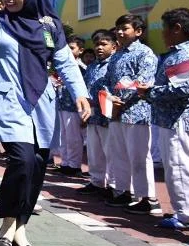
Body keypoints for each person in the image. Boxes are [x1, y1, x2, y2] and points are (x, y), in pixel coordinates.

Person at [0, 0, 90, 246]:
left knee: (38, 166)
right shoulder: (0, 21)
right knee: (22, 160)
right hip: (9, 102)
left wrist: (80, 93)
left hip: (40, 103)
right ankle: (6, 225)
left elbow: (65, 62)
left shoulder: (49, 26)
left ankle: (20, 228)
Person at [138, 8, 189, 229]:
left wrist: (149, 92)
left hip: (178, 119)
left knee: (180, 166)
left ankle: (188, 216)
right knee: (185, 166)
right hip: (175, 119)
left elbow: (183, 88)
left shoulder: (183, 55)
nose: (162, 33)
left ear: (177, 28)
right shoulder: (180, 53)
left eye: (165, 28)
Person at [103, 14, 161, 215]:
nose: (120, 32)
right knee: (119, 154)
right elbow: (107, 80)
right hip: (117, 112)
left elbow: (143, 82)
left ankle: (148, 198)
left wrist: (121, 101)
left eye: (124, 28)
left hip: (137, 112)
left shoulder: (145, 54)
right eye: (118, 28)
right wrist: (110, 98)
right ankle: (124, 192)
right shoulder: (116, 55)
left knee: (139, 156)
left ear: (138, 31)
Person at [78, 29, 117, 197]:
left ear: (114, 47)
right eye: (97, 44)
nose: (99, 47)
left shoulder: (114, 63)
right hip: (93, 114)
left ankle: (114, 185)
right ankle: (97, 181)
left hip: (107, 115)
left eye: (103, 44)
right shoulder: (92, 66)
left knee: (111, 151)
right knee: (94, 151)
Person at [56, 35, 88, 176]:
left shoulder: (80, 68)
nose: (69, 51)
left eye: (72, 48)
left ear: (80, 50)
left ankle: (74, 165)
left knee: (74, 138)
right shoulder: (61, 67)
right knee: (63, 136)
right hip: (62, 105)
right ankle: (65, 162)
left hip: (74, 107)